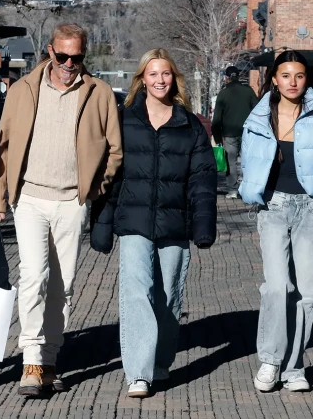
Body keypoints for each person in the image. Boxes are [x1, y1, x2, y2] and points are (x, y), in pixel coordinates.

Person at [0, 23, 122, 397]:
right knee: (34, 277)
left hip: (71, 203)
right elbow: (3, 146)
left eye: (76, 57)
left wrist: (95, 188)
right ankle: (30, 361)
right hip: (29, 198)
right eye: (62, 56)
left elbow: (115, 149)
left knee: (63, 287)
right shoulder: (23, 90)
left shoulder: (100, 93)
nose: (68, 64)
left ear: (84, 56)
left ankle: (49, 360)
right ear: (49, 51)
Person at [90, 48, 217, 398]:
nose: (160, 80)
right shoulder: (124, 119)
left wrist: (203, 226)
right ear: (141, 79)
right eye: (152, 74)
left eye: (166, 74)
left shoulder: (190, 125)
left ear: (174, 79)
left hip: (175, 224)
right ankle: (138, 373)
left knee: (168, 296)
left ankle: (160, 363)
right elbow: (111, 175)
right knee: (136, 292)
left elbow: (203, 180)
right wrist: (102, 223)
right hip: (134, 221)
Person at [239, 50, 313, 392]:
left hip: (311, 210)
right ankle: (270, 360)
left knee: (307, 292)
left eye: (299, 76)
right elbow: (248, 161)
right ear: (274, 78)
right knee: (276, 287)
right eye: (285, 75)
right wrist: (250, 190)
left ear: (307, 80)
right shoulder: (258, 119)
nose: (293, 82)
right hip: (273, 208)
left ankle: (294, 367)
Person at [211, 66, 259, 198]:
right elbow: (258, 109)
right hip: (247, 132)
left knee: (231, 162)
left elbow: (217, 118)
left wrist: (217, 136)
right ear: (238, 76)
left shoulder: (223, 93)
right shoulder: (248, 91)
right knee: (247, 161)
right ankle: (248, 188)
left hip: (229, 133)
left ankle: (232, 190)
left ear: (226, 78)